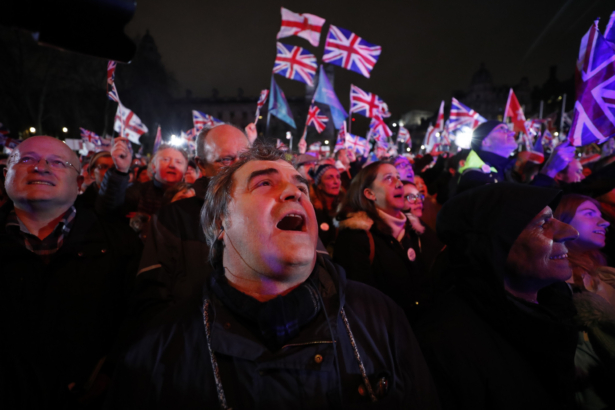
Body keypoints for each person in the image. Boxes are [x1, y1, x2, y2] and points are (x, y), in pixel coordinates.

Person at [106, 144, 439, 409]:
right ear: (221, 223)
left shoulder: (379, 318)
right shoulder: (157, 352)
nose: (295, 194)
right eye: (264, 182)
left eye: (301, 188)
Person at [0, 136, 142, 408]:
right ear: (6, 175)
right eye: (27, 159)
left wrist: (111, 372)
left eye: (57, 162)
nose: (41, 167)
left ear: (79, 184)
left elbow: (138, 323)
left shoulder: (121, 246)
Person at [415, 183, 580, 410]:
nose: (571, 232)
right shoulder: (447, 342)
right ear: (493, 246)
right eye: (543, 223)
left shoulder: (556, 305)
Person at [135, 124, 251, 316]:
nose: (240, 166)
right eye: (227, 159)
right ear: (201, 165)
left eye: (246, 158)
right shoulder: (171, 218)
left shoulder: (274, 211)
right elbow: (152, 300)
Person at [334, 162, 434, 324]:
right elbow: (361, 303)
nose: (399, 183)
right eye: (388, 178)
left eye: (398, 178)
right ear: (370, 193)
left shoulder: (411, 229)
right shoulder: (356, 237)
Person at [553, 193, 615, 408]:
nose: (605, 221)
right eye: (589, 213)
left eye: (601, 215)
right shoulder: (559, 287)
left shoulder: (602, 274)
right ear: (561, 221)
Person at [456, 121, 574, 194]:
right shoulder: (476, 176)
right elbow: (517, 208)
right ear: (485, 141)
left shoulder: (508, 171)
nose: (512, 133)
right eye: (502, 129)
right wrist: (550, 170)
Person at [96, 139, 189, 218]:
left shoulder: (192, 196)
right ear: (153, 167)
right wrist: (120, 171)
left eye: (179, 162)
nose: (172, 165)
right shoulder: (137, 192)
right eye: (166, 159)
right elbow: (108, 210)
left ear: (185, 171)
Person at [403, 181, 444, 271]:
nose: (418, 201)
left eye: (418, 196)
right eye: (411, 197)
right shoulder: (401, 234)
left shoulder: (421, 227)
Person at [309, 164, 342, 251]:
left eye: (338, 177)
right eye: (329, 178)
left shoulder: (344, 207)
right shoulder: (312, 211)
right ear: (319, 184)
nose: (336, 181)